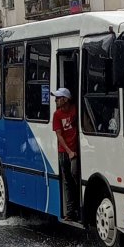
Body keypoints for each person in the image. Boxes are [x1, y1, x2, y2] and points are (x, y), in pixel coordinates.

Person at [52, 87, 79, 220]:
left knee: (75, 176)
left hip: (76, 151)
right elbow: (59, 136)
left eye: (58, 98)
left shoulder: (75, 109)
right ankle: (70, 212)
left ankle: (78, 207)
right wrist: (69, 152)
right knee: (68, 182)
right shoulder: (57, 115)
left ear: (66, 99)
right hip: (64, 152)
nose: (56, 100)